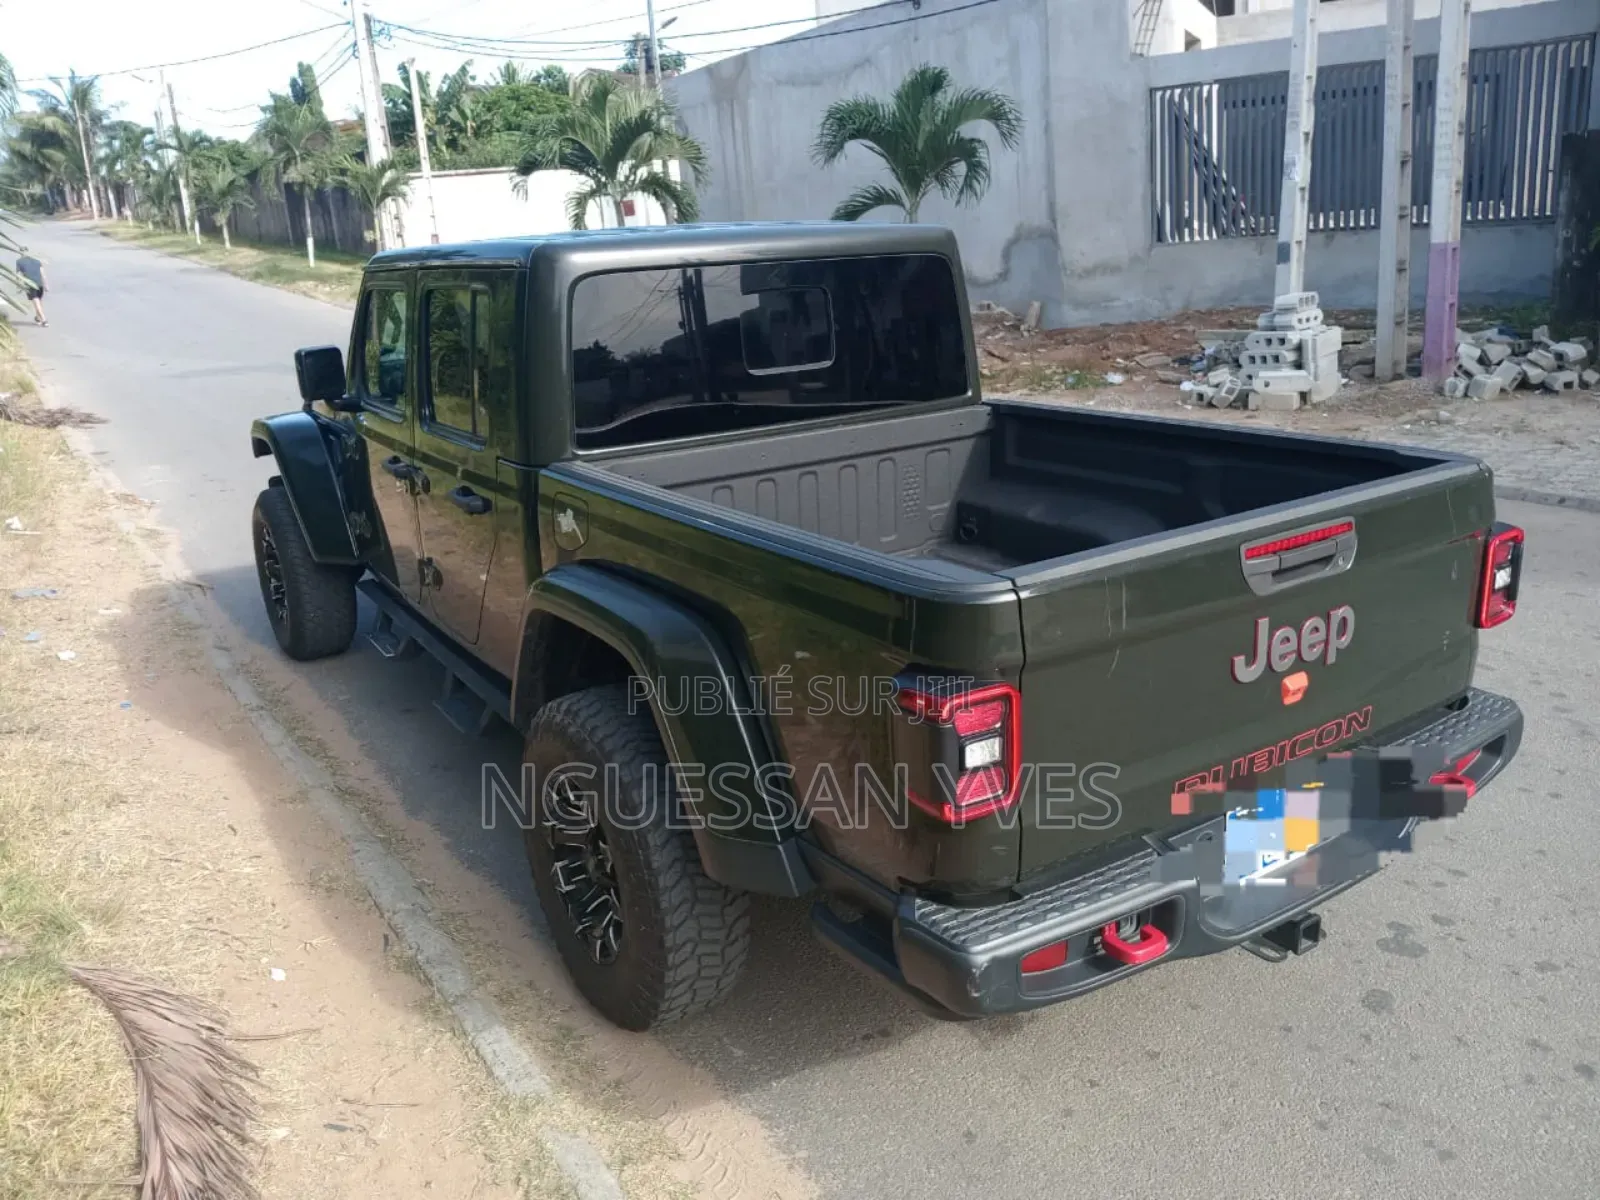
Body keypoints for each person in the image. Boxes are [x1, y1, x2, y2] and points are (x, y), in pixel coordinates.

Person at [15, 246, 47, 327]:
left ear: (20, 253)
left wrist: (19, 286)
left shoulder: (19, 262)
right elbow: (43, 274)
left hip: (30, 285)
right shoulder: (37, 261)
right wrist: (46, 285)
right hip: (40, 284)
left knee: (36, 303)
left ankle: (44, 320)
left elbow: (18, 275)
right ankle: (38, 318)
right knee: (39, 302)